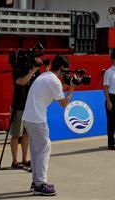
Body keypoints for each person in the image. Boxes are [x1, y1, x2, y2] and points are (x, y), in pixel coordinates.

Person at [22, 54, 76, 197]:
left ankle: (36, 182)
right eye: (65, 70)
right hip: (37, 119)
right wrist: (72, 89)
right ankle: (40, 184)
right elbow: (63, 103)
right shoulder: (54, 81)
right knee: (45, 148)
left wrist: (67, 85)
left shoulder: (45, 76)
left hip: (29, 118)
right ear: (62, 69)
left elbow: (52, 93)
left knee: (35, 150)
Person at [9, 55, 42, 169]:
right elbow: (22, 82)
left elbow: (41, 82)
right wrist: (33, 70)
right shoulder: (17, 71)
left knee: (26, 134)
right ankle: (15, 161)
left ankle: (24, 159)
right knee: (16, 134)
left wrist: (42, 68)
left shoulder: (36, 72)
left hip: (29, 107)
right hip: (18, 106)